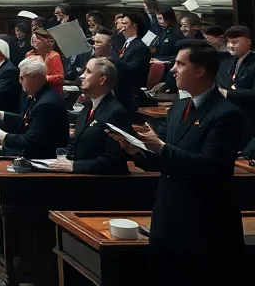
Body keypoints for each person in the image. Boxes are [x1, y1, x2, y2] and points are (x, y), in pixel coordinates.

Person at [111, 42, 244, 274]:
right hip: (167, 212)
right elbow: (160, 159)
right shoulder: (177, 108)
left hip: (204, 221)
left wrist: (161, 147)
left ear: (200, 70)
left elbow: (210, 165)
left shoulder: (226, 114)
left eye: (181, 64)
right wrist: (134, 150)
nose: (173, 69)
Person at [50, 57, 130, 174]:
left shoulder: (116, 112)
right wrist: (62, 159)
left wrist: (75, 166)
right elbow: (75, 141)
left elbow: (113, 160)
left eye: (88, 71)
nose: (82, 76)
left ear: (102, 80)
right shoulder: (87, 107)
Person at [0, 57, 69, 159]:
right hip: (34, 154)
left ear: (35, 78)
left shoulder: (46, 103)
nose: (19, 81)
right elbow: (26, 121)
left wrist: (4, 137)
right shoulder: (40, 96)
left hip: (41, 160)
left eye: (22, 77)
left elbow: (30, 140)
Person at [217, 25, 255, 148]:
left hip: (249, 116)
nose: (230, 45)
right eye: (228, 42)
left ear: (248, 42)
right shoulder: (226, 62)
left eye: (235, 42)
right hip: (229, 114)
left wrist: (228, 94)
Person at [115, 11, 151, 112]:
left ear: (134, 26)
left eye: (125, 23)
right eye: (121, 23)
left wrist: (112, 65)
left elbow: (132, 68)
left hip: (132, 91)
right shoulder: (126, 43)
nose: (121, 26)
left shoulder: (140, 47)